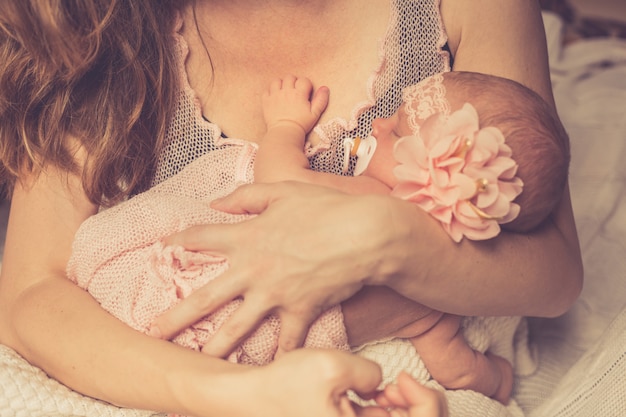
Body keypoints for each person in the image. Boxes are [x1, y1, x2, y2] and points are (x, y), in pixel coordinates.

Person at [0, 1, 582, 417]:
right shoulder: (94, 28)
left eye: (396, 127)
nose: (380, 128)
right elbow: (28, 295)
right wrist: (251, 398)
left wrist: (386, 239)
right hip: (204, 372)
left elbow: (553, 273)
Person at [68, 69, 568, 405]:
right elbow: (457, 371)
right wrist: (498, 377)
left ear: (432, 174)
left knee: (141, 250)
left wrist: (285, 126)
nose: (379, 121)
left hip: (206, 290)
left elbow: (277, 178)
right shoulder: (446, 297)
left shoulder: (358, 201)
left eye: (395, 133)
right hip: (250, 352)